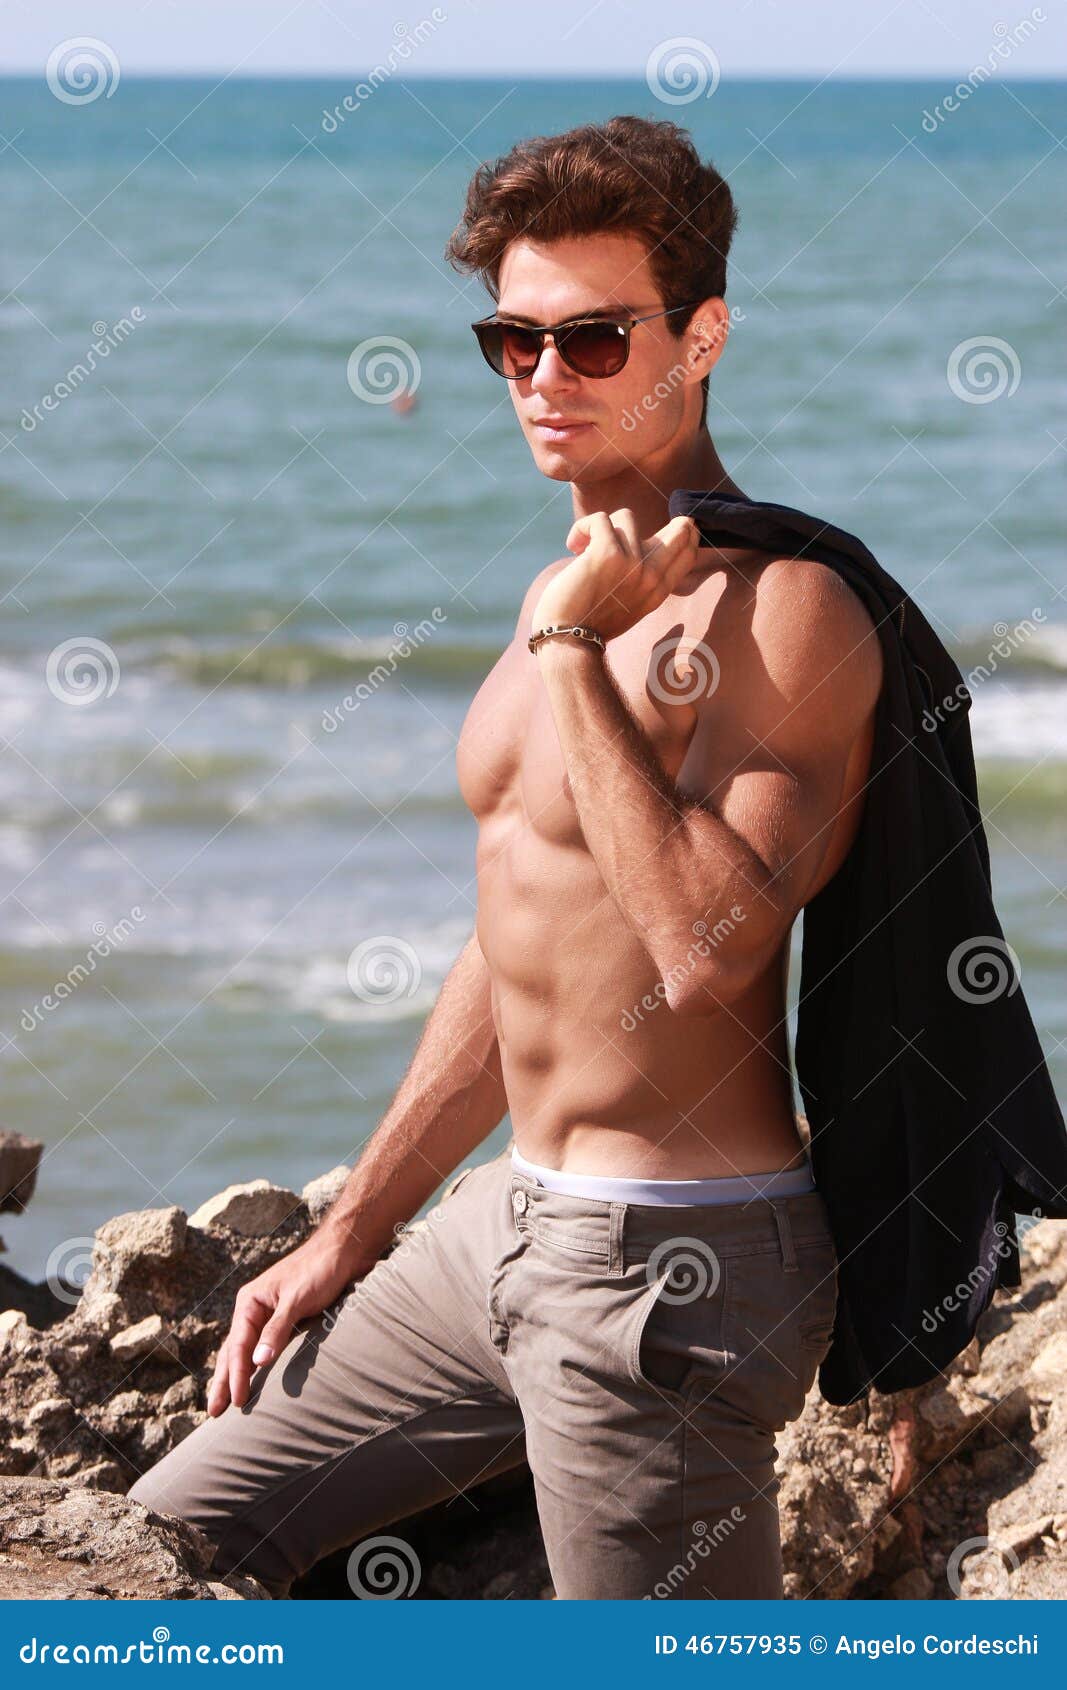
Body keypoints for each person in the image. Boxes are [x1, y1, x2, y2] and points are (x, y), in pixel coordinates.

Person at [128, 114, 884, 1600]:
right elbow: (519, 935)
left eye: (596, 339)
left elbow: (703, 944)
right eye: (513, 342)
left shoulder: (783, 609)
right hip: (497, 1227)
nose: (545, 380)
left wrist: (566, 649)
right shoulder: (577, 589)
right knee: (169, 1536)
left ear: (703, 333)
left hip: (671, 1262)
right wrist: (352, 1230)